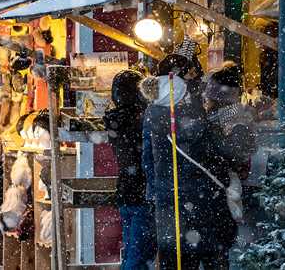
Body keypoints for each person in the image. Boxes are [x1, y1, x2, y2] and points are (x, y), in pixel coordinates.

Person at [141, 72, 245, 270]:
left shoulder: (152, 120)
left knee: (177, 258)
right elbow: (221, 154)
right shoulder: (196, 121)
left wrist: (157, 193)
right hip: (204, 203)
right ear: (181, 95)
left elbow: (147, 164)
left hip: (170, 206)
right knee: (213, 256)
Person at [103, 70, 157, 270]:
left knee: (132, 251)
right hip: (141, 192)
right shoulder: (139, 121)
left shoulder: (116, 119)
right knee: (138, 255)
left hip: (127, 191)